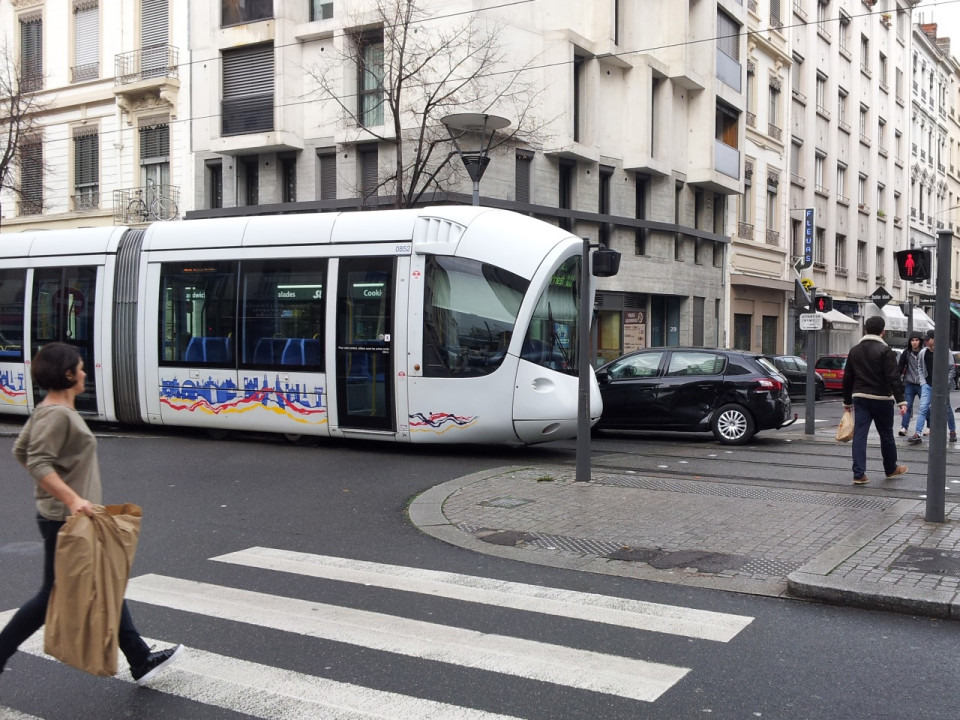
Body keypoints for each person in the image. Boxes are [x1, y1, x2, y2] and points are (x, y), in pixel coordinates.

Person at [0, 343, 182, 683]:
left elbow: (21, 449)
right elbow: (36, 460)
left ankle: (140, 657)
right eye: (81, 368)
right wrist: (70, 498)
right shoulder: (57, 414)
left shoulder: (49, 409)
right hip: (66, 520)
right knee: (50, 596)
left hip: (70, 517)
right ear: (68, 374)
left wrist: (57, 488)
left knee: (105, 579)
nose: (85, 373)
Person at [842, 315, 908, 485]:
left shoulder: (854, 350)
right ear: (883, 332)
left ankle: (859, 474)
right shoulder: (885, 351)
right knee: (886, 434)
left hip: (860, 398)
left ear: (865, 330)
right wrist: (901, 401)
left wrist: (847, 402)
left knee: (860, 436)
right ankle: (890, 468)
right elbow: (894, 377)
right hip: (881, 399)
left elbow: (847, 378)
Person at [908, 330, 956, 445]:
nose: (925, 342)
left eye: (927, 339)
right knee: (923, 407)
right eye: (924, 339)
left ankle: (952, 432)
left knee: (947, 409)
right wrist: (923, 382)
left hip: (942, 385)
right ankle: (917, 434)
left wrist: (946, 382)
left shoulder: (945, 351)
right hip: (928, 385)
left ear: (934, 339)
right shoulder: (923, 352)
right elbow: (919, 367)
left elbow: (951, 368)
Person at [897, 331, 925, 436]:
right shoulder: (906, 353)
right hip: (909, 383)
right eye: (912, 340)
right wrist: (896, 379)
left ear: (920, 341)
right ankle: (904, 427)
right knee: (907, 406)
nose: (914, 342)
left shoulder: (924, 352)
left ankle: (930, 426)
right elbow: (900, 367)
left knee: (925, 406)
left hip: (922, 384)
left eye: (917, 340)